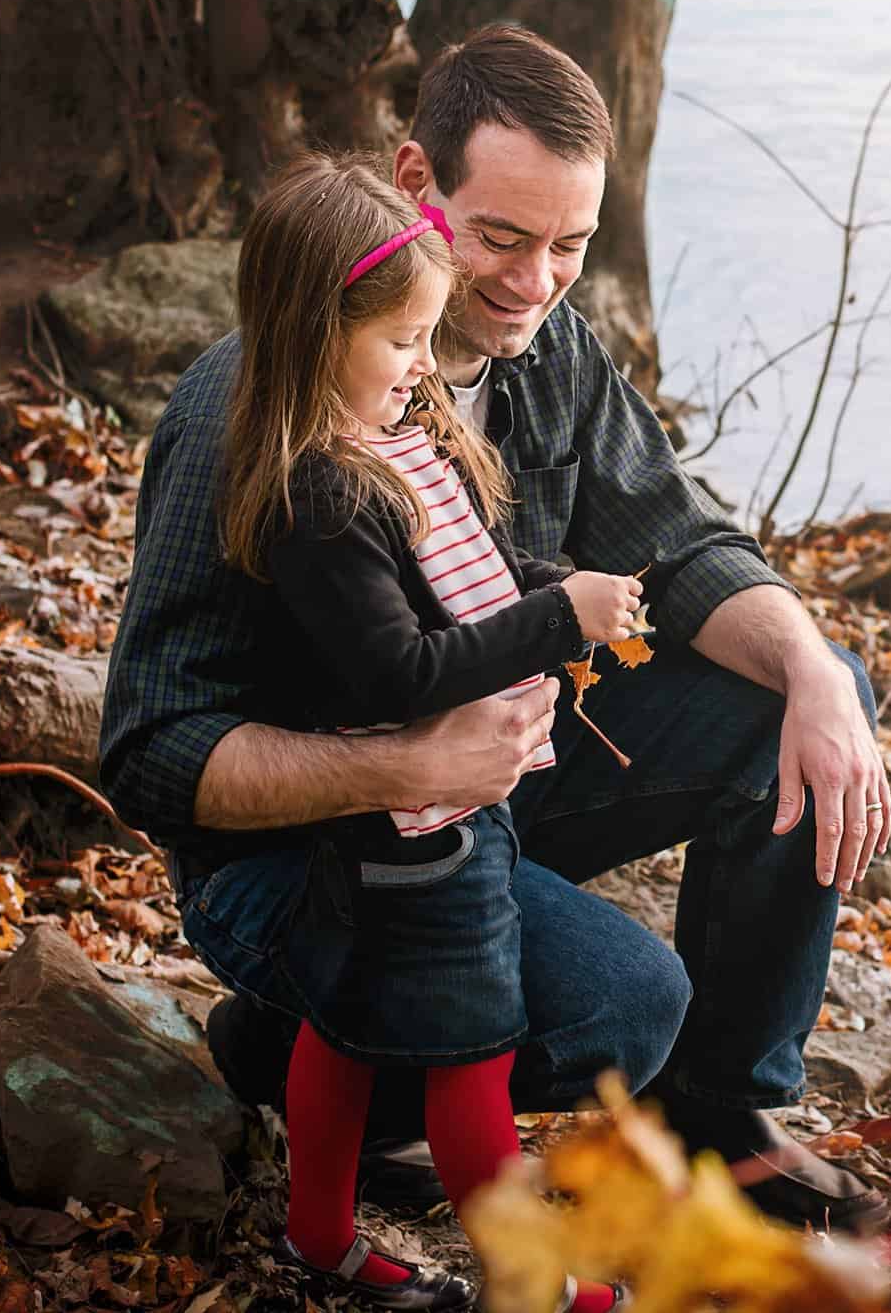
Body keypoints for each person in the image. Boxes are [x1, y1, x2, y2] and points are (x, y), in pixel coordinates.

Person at [100, 23, 891, 1243]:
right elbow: (151, 748)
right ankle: (309, 1044)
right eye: (504, 241)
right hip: (316, 847)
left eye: (569, 247)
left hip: (493, 779)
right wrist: (402, 765)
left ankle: (719, 1116)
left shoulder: (544, 344)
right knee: (621, 1014)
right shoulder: (249, 416)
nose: (534, 284)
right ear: (416, 186)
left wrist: (815, 675)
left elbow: (676, 543)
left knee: (798, 686)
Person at [196, 152, 646, 1310]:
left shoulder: (394, 438)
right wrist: (557, 619)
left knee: (348, 1027)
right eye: (401, 344)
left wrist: (555, 584)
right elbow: (399, 668)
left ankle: (317, 1231)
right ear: (311, 333)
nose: (419, 367)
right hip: (414, 836)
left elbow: (468, 582)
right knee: (470, 1058)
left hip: (434, 817)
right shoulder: (323, 495)